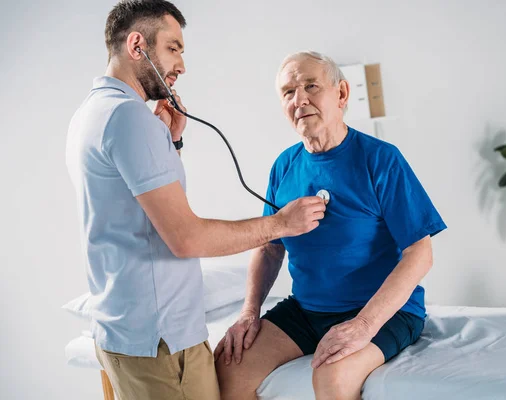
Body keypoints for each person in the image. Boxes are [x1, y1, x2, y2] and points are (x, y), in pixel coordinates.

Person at [65, 2, 325, 399]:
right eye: (173, 48)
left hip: (126, 333)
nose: (181, 64)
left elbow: (142, 209)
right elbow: (186, 238)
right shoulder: (128, 118)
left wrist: (172, 143)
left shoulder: (92, 112)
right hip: (161, 342)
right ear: (137, 45)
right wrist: (281, 224)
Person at [214, 51, 447, 400]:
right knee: (229, 366)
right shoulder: (284, 165)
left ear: (341, 94)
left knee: (332, 376)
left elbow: (420, 252)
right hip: (308, 309)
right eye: (288, 92)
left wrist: (363, 326)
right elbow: (269, 246)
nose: (299, 99)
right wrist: (249, 313)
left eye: (311, 86)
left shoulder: (381, 159)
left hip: (384, 311)